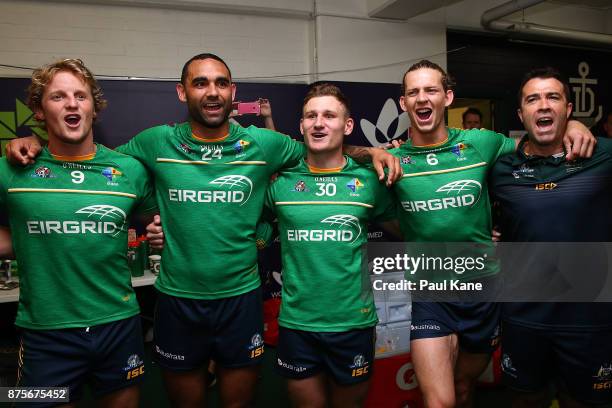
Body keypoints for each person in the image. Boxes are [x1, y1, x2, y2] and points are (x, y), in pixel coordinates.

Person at [4, 53, 401, 407]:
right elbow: (87, 164)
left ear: (233, 92)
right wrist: (30, 142)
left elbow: (326, 149)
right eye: (200, 83)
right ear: (182, 92)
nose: (211, 92)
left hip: (235, 302)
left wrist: (374, 151)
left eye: (220, 83)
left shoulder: (265, 144)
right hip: (162, 304)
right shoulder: (151, 144)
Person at [388, 59, 596, 408]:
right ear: (403, 103)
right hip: (431, 293)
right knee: (439, 401)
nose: (422, 98)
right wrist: (417, 230)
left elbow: (536, 142)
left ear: (448, 97)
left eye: (431, 90)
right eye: (413, 92)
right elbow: (374, 206)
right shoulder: (393, 160)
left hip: (482, 291)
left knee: (464, 385)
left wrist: (573, 123)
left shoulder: (481, 143)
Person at [0, 59, 156, 407]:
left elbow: (159, 221)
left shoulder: (128, 170)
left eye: (81, 96)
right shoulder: (12, 169)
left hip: (118, 326)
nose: (72, 103)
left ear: (94, 108)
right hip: (46, 334)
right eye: (58, 97)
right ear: (39, 111)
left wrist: (161, 230)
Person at [261, 84, 396, 407]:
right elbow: (241, 225)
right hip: (297, 324)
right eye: (311, 116)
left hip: (353, 323)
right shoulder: (281, 182)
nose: (319, 123)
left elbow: (412, 229)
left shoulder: (368, 181)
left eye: (329, 115)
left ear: (347, 126)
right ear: (301, 125)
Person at [490, 67, 612, 408]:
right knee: (526, 400)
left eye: (553, 97)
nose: (543, 105)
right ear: (521, 113)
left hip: (590, 319)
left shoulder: (603, 156)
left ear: (568, 110)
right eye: (533, 99)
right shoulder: (502, 168)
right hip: (524, 315)